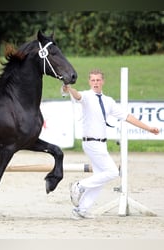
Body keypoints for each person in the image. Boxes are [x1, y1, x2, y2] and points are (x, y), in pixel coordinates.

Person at [62, 69, 160, 220]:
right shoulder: (86, 96)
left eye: (98, 80)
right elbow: (77, 95)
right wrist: (69, 89)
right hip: (91, 142)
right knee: (113, 172)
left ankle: (81, 210)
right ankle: (79, 185)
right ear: (89, 82)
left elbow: (127, 116)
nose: (95, 83)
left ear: (103, 82)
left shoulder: (108, 101)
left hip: (102, 144)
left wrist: (148, 128)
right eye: (93, 80)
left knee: (101, 177)